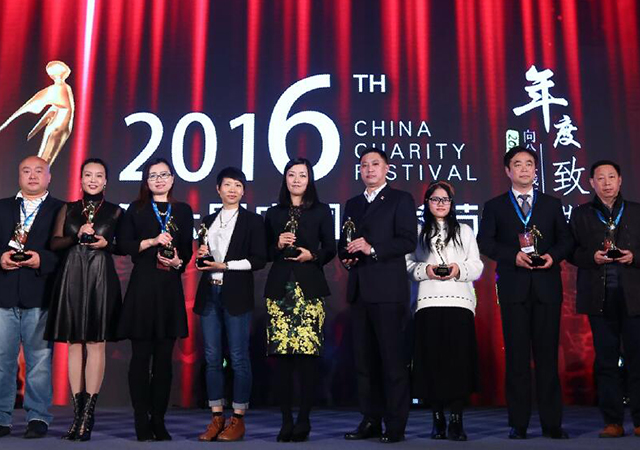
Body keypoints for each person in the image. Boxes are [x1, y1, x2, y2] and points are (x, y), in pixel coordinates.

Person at [477, 146, 573, 440]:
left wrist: (552, 257)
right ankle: (518, 424)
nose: (524, 168)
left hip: (547, 288)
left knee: (547, 359)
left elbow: (566, 240)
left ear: (535, 170)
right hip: (514, 288)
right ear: (508, 171)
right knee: (517, 359)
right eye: (517, 164)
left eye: (529, 164)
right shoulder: (495, 206)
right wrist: (512, 256)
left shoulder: (551, 204)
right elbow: (486, 242)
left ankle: (552, 423)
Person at [341, 147, 417, 443]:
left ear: (387, 169)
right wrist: (346, 256)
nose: (369, 169)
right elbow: (346, 241)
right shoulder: (353, 203)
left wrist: (372, 248)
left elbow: (408, 240)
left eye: (375, 164)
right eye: (364, 165)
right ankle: (370, 419)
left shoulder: (400, 199)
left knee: (392, 362)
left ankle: (395, 425)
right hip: (360, 290)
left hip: (388, 291)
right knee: (364, 363)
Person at [44, 158, 123, 441]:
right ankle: (77, 415)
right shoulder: (68, 209)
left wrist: (107, 244)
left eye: (98, 175)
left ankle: (88, 415)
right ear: (80, 179)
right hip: (72, 274)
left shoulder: (115, 211)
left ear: (106, 181)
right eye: (88, 175)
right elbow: (54, 243)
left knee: (96, 343)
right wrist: (76, 236)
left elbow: (123, 246)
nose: (93, 180)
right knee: (74, 343)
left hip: (101, 276)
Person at [116, 158, 194, 441]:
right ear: (146, 181)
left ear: (172, 179)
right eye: (153, 176)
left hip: (169, 289)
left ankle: (158, 419)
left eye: (164, 175)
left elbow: (186, 252)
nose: (159, 180)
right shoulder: (135, 209)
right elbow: (124, 245)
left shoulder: (183, 211)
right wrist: (151, 241)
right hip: (142, 288)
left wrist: (177, 262)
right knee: (140, 358)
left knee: (164, 361)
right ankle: (140, 418)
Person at [264, 158, 336, 442]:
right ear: (285, 178)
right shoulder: (273, 213)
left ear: (310, 179)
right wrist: (277, 244)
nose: (296, 180)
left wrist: (312, 255)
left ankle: (304, 420)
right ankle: (285, 421)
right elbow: (264, 252)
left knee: (307, 360)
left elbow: (330, 248)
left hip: (309, 290)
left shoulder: (321, 211)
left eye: (302, 175)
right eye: (291, 175)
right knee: (282, 360)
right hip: (280, 291)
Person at [406, 181, 483, 441]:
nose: (440, 204)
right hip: (427, 302)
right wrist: (424, 270)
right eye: (435, 199)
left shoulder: (465, 231)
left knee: (458, 364)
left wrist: (458, 269)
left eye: (445, 199)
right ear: (427, 203)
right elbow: (407, 264)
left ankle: (456, 420)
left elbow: (477, 266)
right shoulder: (417, 232)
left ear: (452, 203)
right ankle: (437, 419)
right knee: (432, 364)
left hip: (459, 303)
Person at [194, 167, 267, 442]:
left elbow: (258, 260)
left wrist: (225, 265)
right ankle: (216, 417)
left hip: (236, 294)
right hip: (209, 294)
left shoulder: (253, 221)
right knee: (212, 358)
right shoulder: (208, 220)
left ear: (244, 191)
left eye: (238, 185)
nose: (232, 190)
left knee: (238, 357)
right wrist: (201, 257)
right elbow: (203, 261)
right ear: (218, 189)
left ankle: (238, 418)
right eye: (227, 185)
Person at [569, 160, 640, 438]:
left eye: (611, 177)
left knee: (637, 359)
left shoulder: (635, 211)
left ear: (620, 180)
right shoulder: (581, 214)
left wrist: (634, 257)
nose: (607, 183)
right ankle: (613, 421)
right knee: (606, 361)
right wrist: (592, 257)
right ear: (591, 183)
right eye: (601, 178)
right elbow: (571, 252)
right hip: (599, 298)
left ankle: (639, 419)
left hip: (634, 297)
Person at [0, 156, 63, 439]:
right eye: (26, 170)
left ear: (49, 177)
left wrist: (42, 260)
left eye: (39, 171)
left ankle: (38, 417)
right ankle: (2, 418)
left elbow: (67, 253)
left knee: (39, 362)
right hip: (4, 294)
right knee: (2, 361)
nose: (33, 175)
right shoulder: (2, 207)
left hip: (40, 294)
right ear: (19, 176)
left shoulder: (61, 209)